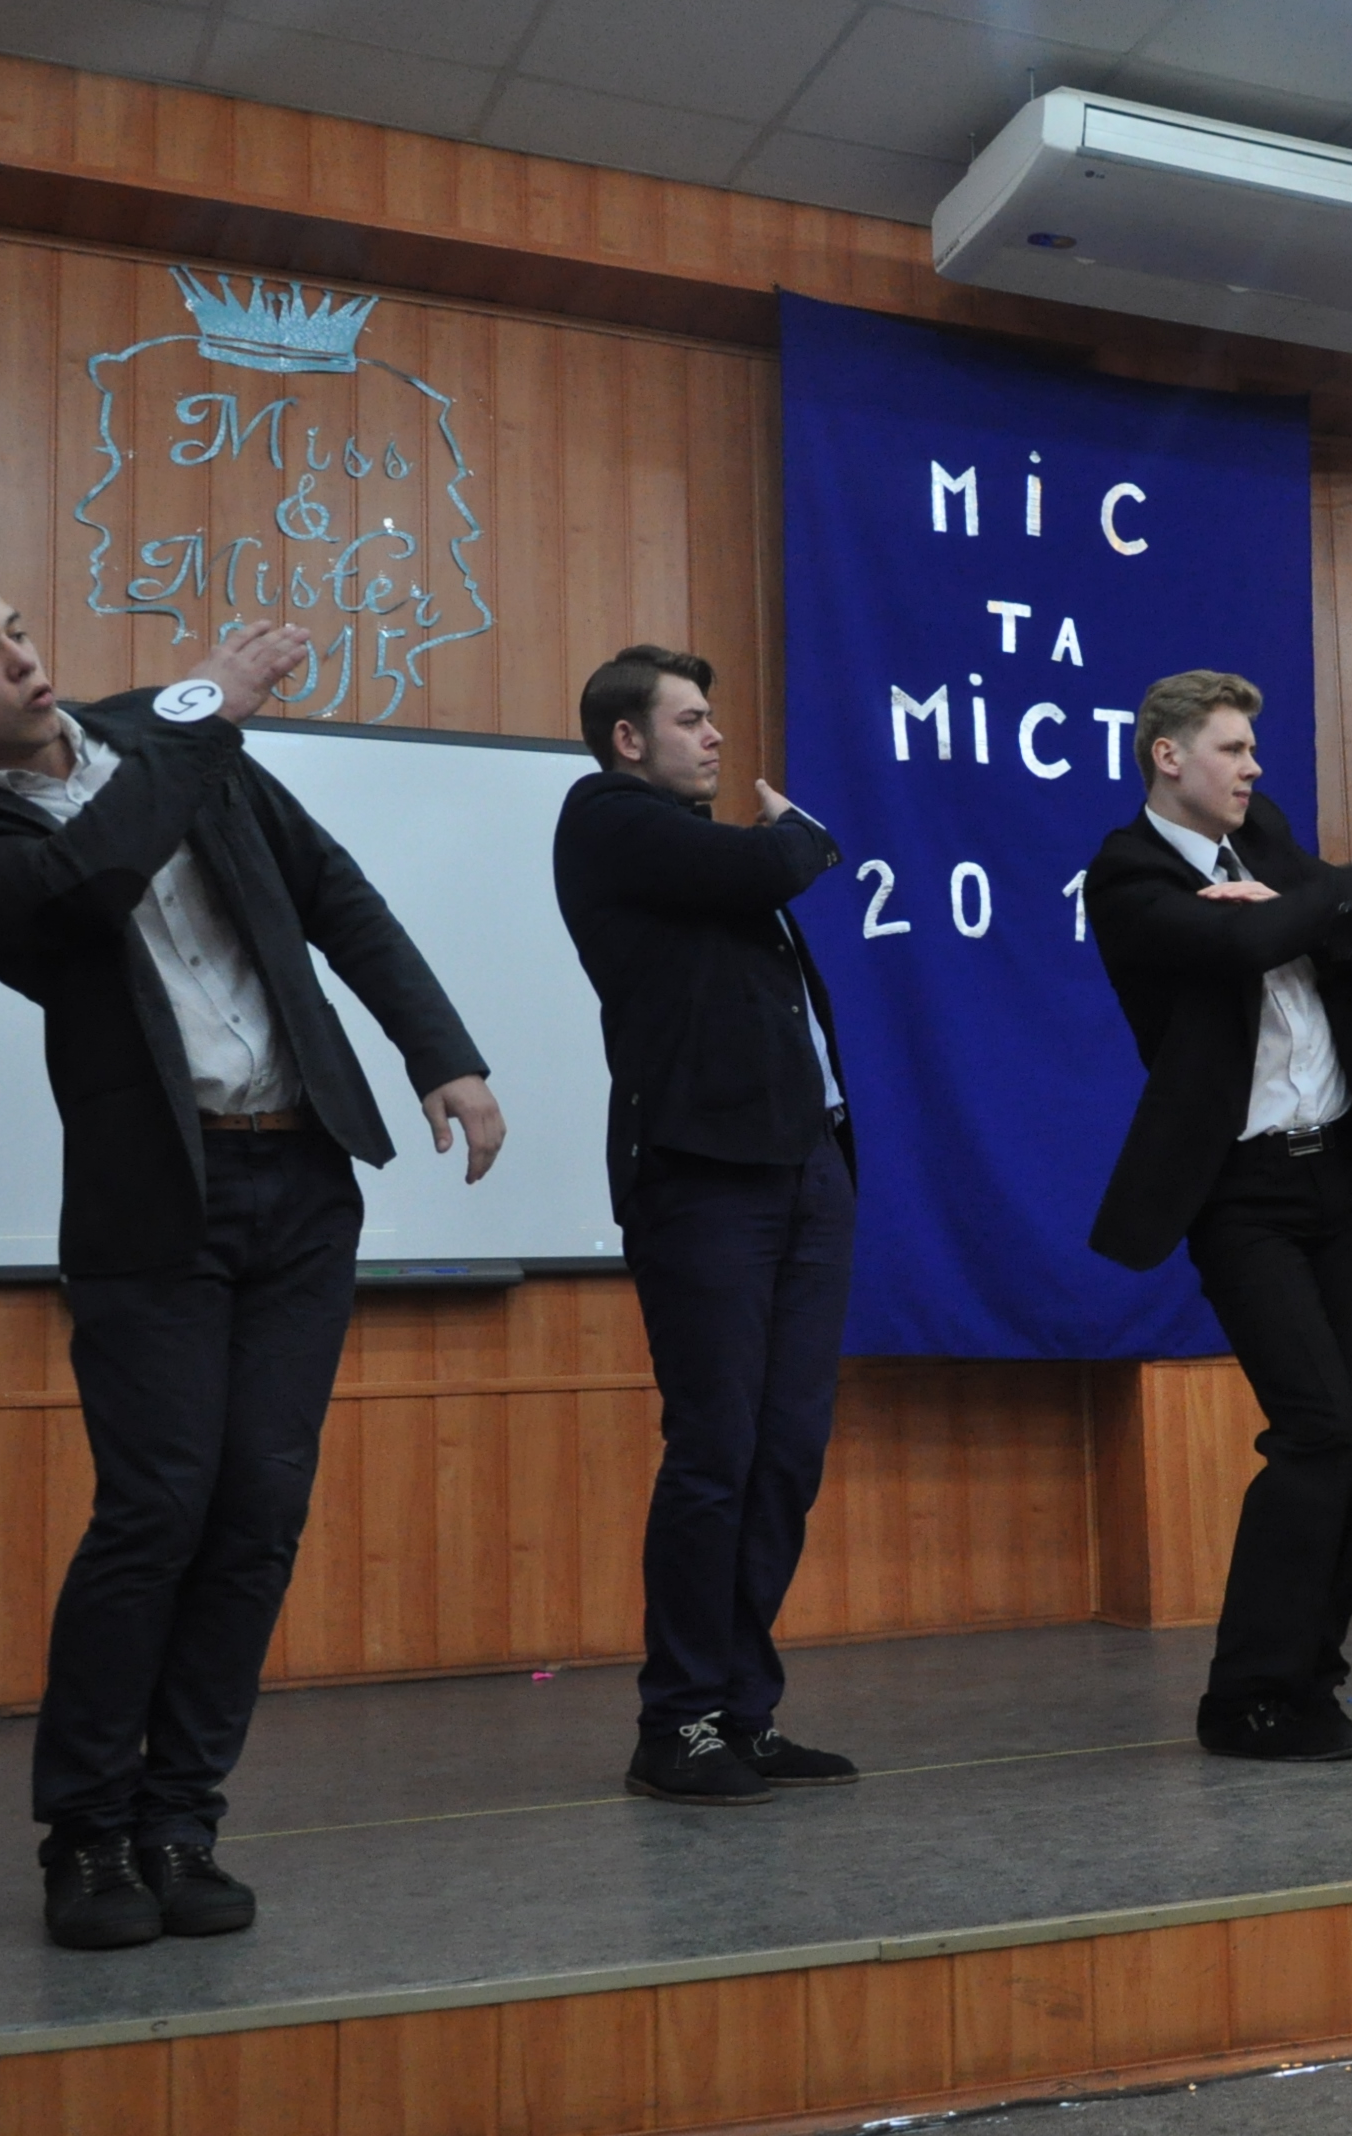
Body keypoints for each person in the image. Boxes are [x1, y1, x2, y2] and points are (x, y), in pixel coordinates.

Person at [0, 552, 505, 1952]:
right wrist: (203, 716)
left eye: (17, 630)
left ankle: (180, 1821)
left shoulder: (164, 733)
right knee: (158, 1510)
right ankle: (86, 1834)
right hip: (156, 1206)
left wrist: (441, 1053)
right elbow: (85, 881)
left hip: (302, 1177)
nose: (22, 659)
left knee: (259, 1510)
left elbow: (334, 893)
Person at [1084, 669, 1352, 1762]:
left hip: (1344, 1175)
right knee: (1318, 1429)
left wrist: (1294, 900)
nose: (1254, 768)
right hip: (1242, 1194)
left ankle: (1308, 1674)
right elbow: (1252, 945)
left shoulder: (1267, 838)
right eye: (1233, 749)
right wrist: (1323, 896)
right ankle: (1244, 1697)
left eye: (1253, 749)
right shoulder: (1127, 872)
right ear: (1168, 756)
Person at [554, 645, 859, 1807]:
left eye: (711, 716)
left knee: (785, 1456)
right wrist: (805, 833)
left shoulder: (699, 859)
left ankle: (742, 1711)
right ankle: (676, 1722)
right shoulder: (607, 818)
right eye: (690, 719)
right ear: (629, 738)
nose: (716, 735)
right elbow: (780, 859)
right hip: (703, 1177)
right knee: (716, 1453)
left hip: (805, 1167)